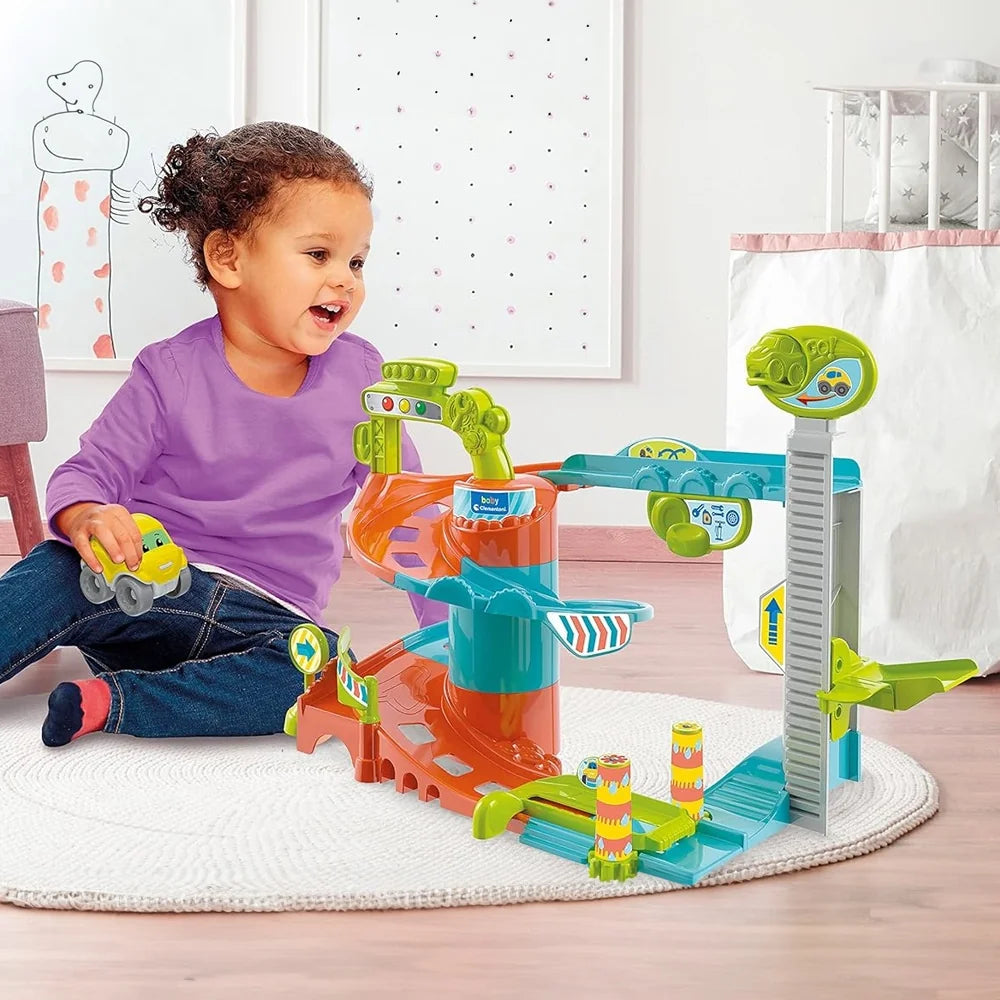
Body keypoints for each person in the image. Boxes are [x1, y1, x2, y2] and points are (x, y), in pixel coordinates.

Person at [0, 121, 445, 747]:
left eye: (356, 261)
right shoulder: (170, 372)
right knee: (54, 569)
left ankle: (112, 703)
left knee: (326, 673)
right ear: (228, 259)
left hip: (268, 618)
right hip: (147, 588)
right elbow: (88, 472)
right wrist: (87, 516)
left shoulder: (365, 382)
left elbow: (409, 518)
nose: (346, 279)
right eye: (319, 255)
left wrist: (450, 643)